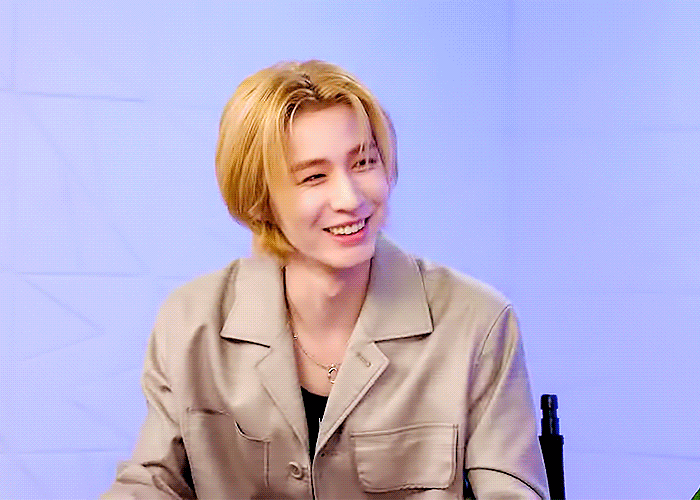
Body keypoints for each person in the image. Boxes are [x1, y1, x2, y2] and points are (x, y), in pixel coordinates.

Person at [103, 60, 548, 499]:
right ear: (259, 199)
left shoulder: (478, 322)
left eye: (364, 163)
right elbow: (152, 482)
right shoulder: (190, 321)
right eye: (314, 177)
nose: (349, 198)